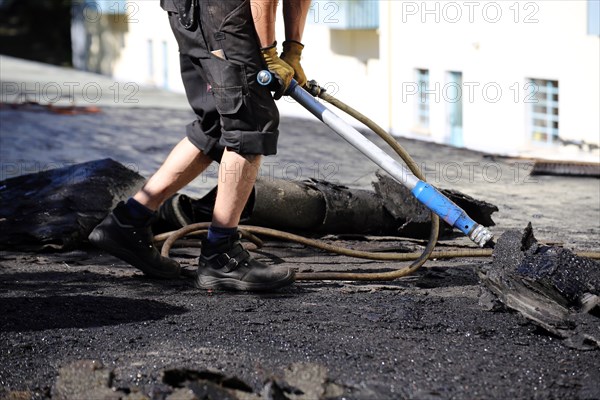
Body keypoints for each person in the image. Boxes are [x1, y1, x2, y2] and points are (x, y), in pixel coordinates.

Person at [88, 0, 311, 291]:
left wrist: (293, 49)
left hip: (195, 12)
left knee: (216, 125)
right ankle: (221, 256)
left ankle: (128, 222)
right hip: (221, 13)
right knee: (251, 125)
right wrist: (269, 54)